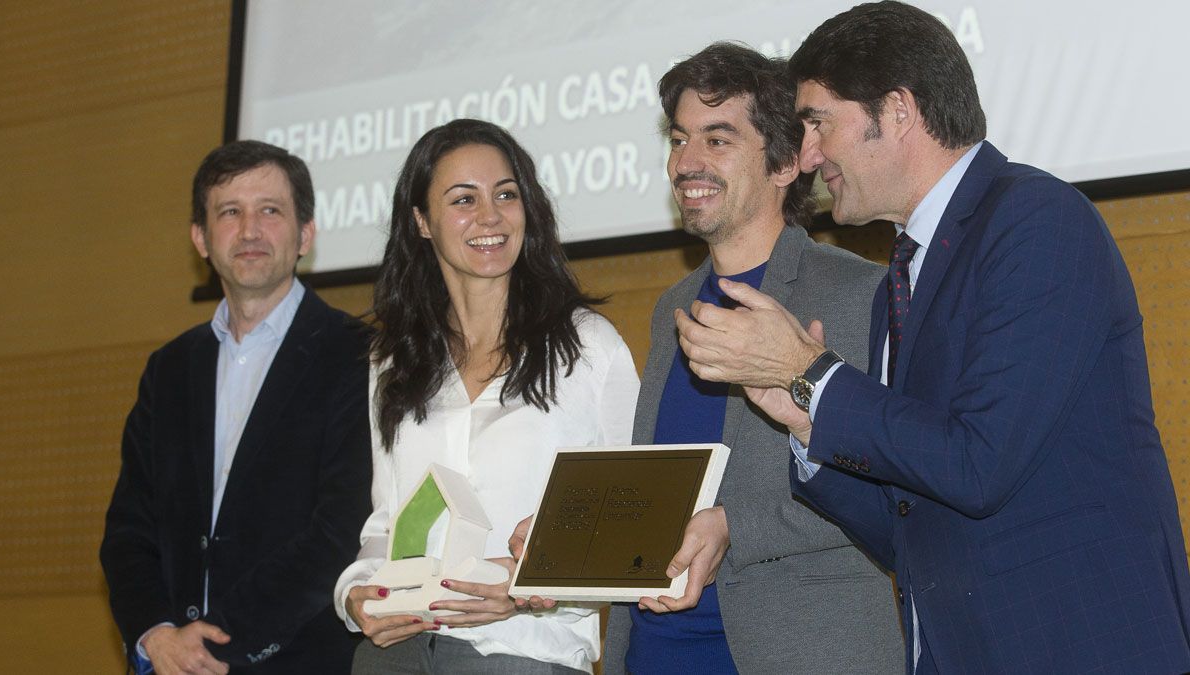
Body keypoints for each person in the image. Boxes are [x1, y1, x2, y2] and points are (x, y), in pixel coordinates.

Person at [674, 3, 1190, 673]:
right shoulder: (908, 266)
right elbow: (911, 524)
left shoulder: (1037, 220)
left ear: (895, 111)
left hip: (1074, 644)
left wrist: (815, 373)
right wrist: (807, 423)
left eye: (819, 123)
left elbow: (979, 463)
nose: (808, 154)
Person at [600, 43, 902, 675]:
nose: (687, 162)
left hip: (800, 652)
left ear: (787, 162)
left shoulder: (858, 295)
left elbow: (894, 490)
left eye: (718, 139)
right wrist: (568, 536)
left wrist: (738, 526)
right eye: (680, 140)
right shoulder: (671, 309)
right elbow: (668, 492)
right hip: (655, 654)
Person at [332, 118, 640, 674]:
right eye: (462, 200)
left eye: (505, 194)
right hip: (396, 655)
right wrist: (354, 596)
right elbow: (386, 523)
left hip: (522, 652)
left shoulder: (589, 346)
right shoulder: (394, 360)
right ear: (422, 222)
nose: (490, 216)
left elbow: (635, 523)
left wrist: (527, 587)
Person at [100, 140, 373, 674]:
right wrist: (157, 635)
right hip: (170, 660)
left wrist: (220, 644)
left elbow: (341, 526)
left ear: (306, 234)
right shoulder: (169, 369)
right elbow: (129, 529)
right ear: (201, 238)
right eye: (230, 212)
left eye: (270, 211)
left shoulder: (357, 353)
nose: (250, 230)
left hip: (296, 660)